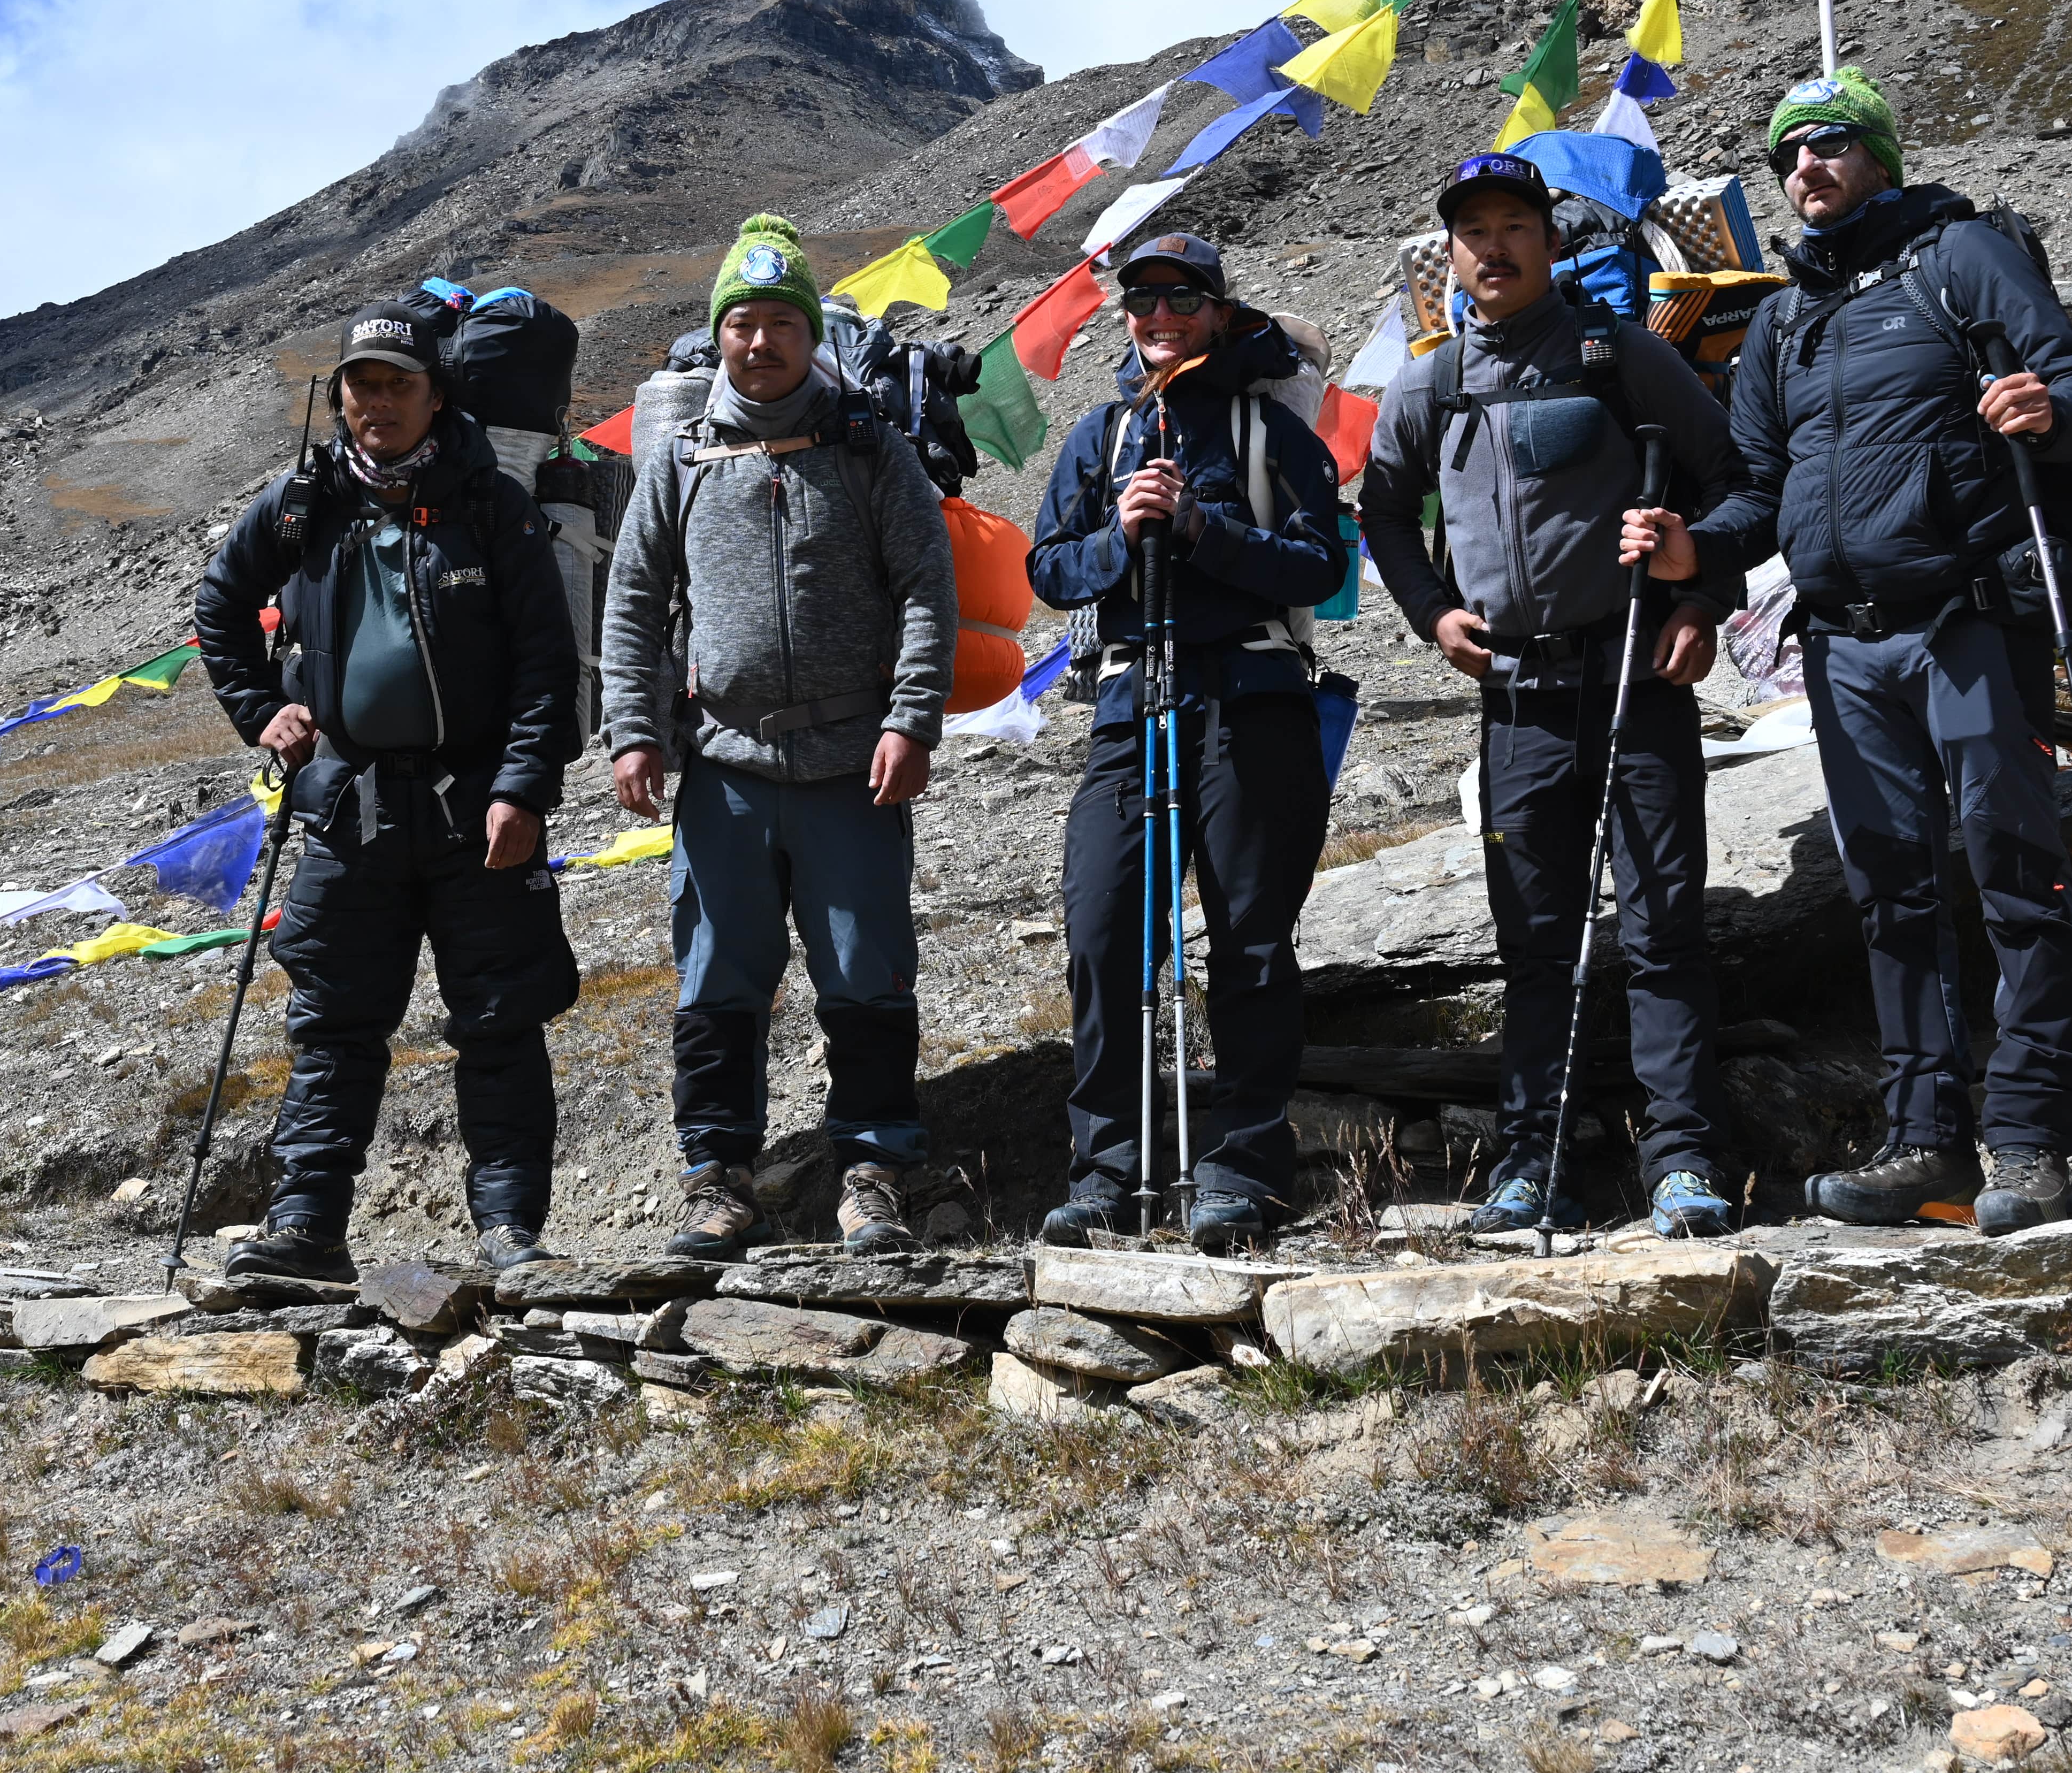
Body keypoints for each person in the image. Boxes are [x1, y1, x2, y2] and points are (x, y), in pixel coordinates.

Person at [1645, 68, 2072, 1235]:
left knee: (2014, 871)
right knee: (1892, 895)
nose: (1807, 165)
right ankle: (1925, 1142)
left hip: (1965, 620)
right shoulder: (1784, 320)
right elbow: (1759, 489)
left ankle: (2028, 1140)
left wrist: (2045, 412)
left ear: (1882, 155)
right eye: (1788, 153)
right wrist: (1688, 553)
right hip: (1845, 649)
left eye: (1832, 143)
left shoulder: (1959, 257)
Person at [1356, 152, 1748, 1240]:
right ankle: (1536, 1159)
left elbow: (1732, 481)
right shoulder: (1430, 383)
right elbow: (1381, 512)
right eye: (1472, 228)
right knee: (1535, 942)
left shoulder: (1621, 355)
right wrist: (1433, 611)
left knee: (1665, 925)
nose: (1494, 244)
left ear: (1547, 238)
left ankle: (1682, 1158)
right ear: (1451, 256)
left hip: (1635, 678)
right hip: (1518, 697)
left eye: (1514, 223)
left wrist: (1701, 596)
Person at [188, 311, 585, 1282]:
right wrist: (262, 714)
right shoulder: (301, 503)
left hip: (478, 810)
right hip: (345, 808)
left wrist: (525, 789)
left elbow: (544, 663)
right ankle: (308, 1232)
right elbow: (219, 607)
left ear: (436, 396)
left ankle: (509, 1235)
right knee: (332, 1024)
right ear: (341, 401)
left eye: (398, 384)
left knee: (500, 1021)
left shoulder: (492, 505)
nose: (377, 402)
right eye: (361, 386)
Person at [598, 216, 962, 1260]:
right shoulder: (682, 456)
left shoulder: (865, 444)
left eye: (780, 324)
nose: (759, 342)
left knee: (866, 972)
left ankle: (874, 1172)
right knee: (720, 980)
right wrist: (634, 731)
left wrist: (912, 718)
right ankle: (718, 1178)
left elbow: (926, 590)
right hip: (724, 768)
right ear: (720, 337)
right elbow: (632, 603)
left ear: (811, 336)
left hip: (857, 762)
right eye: (742, 324)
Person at [1022, 230, 1351, 1251]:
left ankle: (1242, 1172)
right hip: (1132, 708)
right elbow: (1047, 570)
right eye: (1141, 301)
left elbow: (1318, 570)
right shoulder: (1104, 436)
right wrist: (1123, 538)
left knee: (1252, 942)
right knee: (1105, 932)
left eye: (1182, 298)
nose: (1159, 316)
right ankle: (1106, 1172)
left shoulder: (1269, 429)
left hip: (1254, 700)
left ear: (1218, 307)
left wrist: (1207, 533)